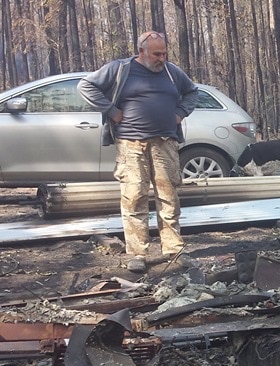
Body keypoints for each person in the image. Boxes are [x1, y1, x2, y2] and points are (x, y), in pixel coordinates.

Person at [78, 31, 199, 273]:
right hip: (130, 143)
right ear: (141, 52)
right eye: (156, 54)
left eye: (164, 53)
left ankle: (173, 249)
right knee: (134, 197)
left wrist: (180, 113)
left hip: (165, 142)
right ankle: (138, 253)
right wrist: (112, 111)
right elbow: (85, 86)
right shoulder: (119, 69)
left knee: (168, 196)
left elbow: (192, 92)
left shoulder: (172, 72)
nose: (161, 58)